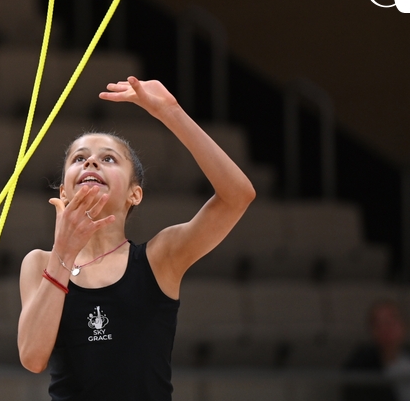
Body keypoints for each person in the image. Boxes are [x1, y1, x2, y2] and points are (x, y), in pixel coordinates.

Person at [17, 76, 256, 400]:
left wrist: (171, 112)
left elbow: (237, 196)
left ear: (135, 193)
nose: (91, 161)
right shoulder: (39, 263)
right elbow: (32, 358)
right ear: (63, 190)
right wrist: (65, 251)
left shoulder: (160, 258)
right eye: (79, 158)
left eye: (109, 158)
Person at [342, 300, 410, 401]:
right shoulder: (358, 366)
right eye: (378, 324)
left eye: (391, 322)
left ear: (404, 326)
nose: (385, 328)